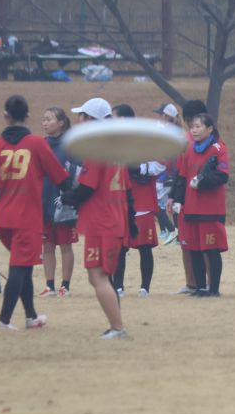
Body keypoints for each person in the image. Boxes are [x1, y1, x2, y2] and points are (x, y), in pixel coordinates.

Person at [0, 94, 70, 330]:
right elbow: (61, 178)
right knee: (19, 269)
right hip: (27, 219)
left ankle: (31, 316)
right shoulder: (36, 143)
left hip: (3, 219)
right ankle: (4, 320)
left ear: (6, 116)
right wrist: (76, 195)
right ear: (28, 116)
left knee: (24, 266)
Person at [60, 97, 136, 339]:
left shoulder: (96, 148)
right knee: (102, 276)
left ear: (91, 120)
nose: (78, 120)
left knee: (98, 276)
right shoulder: (114, 148)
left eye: (82, 116)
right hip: (113, 220)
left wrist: (66, 197)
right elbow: (127, 189)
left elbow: (87, 187)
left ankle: (118, 328)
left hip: (102, 222)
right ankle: (116, 324)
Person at [171, 112, 229, 297]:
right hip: (191, 208)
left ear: (209, 129)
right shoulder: (189, 149)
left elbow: (222, 175)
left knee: (211, 250)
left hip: (210, 210)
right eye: (192, 127)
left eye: (198, 126)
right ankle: (200, 287)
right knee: (194, 249)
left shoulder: (218, 149)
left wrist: (202, 181)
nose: (194, 130)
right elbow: (182, 177)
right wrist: (178, 199)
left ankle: (214, 289)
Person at [111, 104, 162, 298]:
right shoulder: (111, 142)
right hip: (120, 201)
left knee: (144, 247)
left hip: (143, 201)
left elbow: (160, 164)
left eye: (114, 117)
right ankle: (118, 287)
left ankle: (144, 288)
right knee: (120, 248)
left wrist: (140, 168)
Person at [39, 107, 80, 298]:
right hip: (44, 200)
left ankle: (65, 286)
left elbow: (77, 173)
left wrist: (69, 195)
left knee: (65, 245)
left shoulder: (71, 145)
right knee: (47, 246)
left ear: (61, 123)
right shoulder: (41, 145)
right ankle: (50, 286)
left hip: (64, 203)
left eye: (49, 119)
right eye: (43, 119)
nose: (45, 123)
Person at [153, 103, 179, 242]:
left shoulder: (165, 131)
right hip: (171, 173)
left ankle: (172, 231)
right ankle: (174, 232)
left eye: (160, 114)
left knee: (156, 204)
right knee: (172, 205)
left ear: (165, 116)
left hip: (164, 175)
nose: (158, 116)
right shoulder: (175, 130)